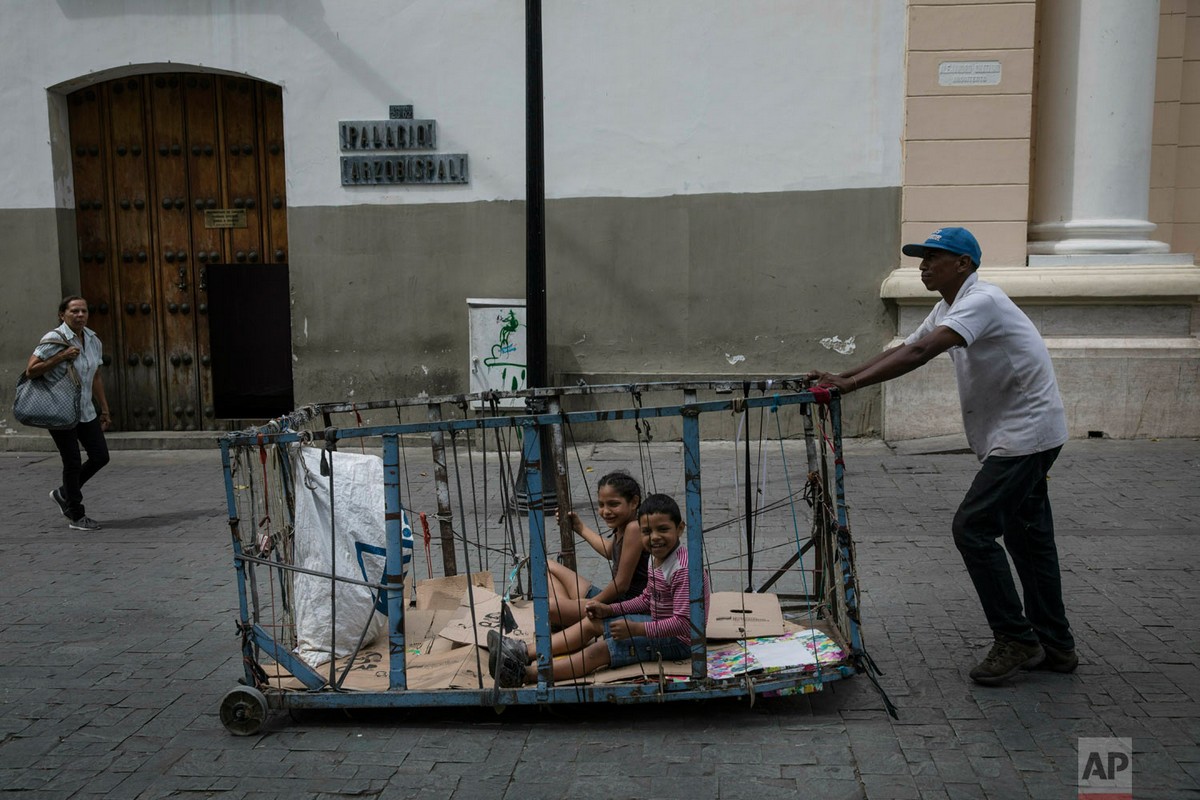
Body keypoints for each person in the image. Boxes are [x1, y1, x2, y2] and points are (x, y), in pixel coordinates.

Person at [809, 226, 1076, 686]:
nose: (923, 266)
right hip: (1021, 435)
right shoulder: (948, 305)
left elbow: (921, 351)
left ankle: (1016, 638)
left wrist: (849, 386)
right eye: (921, 258)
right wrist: (842, 375)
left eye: (934, 257)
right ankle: (1056, 645)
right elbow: (903, 347)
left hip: (1026, 435)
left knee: (973, 528)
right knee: (1029, 539)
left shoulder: (982, 300)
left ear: (964, 264)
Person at [489, 493, 710, 687]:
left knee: (603, 649)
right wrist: (610, 609)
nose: (654, 538)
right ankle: (523, 651)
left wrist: (636, 629)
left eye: (663, 530)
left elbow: (684, 623)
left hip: (680, 641)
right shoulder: (657, 558)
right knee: (592, 622)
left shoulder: (682, 569)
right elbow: (646, 599)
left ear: (680, 528)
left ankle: (526, 674)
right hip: (656, 623)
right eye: (647, 532)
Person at [25, 296, 111, 531]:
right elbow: (31, 370)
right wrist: (61, 357)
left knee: (100, 456)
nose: (80, 315)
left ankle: (64, 492)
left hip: (86, 409)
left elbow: (95, 376)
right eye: (74, 311)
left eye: (83, 311)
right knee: (72, 461)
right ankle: (76, 513)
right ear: (62, 314)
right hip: (60, 411)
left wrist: (104, 408)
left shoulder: (93, 339)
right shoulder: (53, 339)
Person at [545, 471, 648, 628]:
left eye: (613, 504)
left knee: (550, 607)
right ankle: (568, 615)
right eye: (601, 505)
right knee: (545, 565)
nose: (606, 511)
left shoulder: (634, 527)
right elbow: (610, 551)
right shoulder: (623, 525)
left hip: (623, 607)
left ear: (634, 502)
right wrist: (580, 528)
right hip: (611, 600)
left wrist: (594, 603)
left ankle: (568, 616)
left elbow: (621, 585)